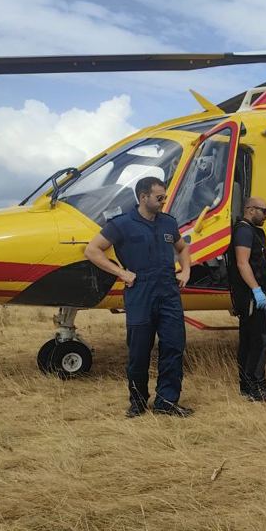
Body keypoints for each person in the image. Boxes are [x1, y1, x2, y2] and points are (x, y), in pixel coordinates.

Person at [84, 176, 194, 418]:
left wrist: (185, 269)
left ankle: (167, 402)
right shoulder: (121, 224)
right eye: (159, 197)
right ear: (143, 197)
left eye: (164, 196)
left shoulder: (168, 223)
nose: (164, 201)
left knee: (174, 347)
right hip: (140, 293)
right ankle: (138, 402)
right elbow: (92, 250)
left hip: (168, 292)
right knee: (139, 351)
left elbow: (183, 248)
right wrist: (121, 272)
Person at [228, 197, 266, 403]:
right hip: (251, 297)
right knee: (260, 341)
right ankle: (257, 387)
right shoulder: (243, 231)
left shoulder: (252, 231)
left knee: (250, 340)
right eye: (264, 211)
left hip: (254, 296)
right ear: (250, 210)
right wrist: (256, 290)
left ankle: (247, 386)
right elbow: (243, 263)